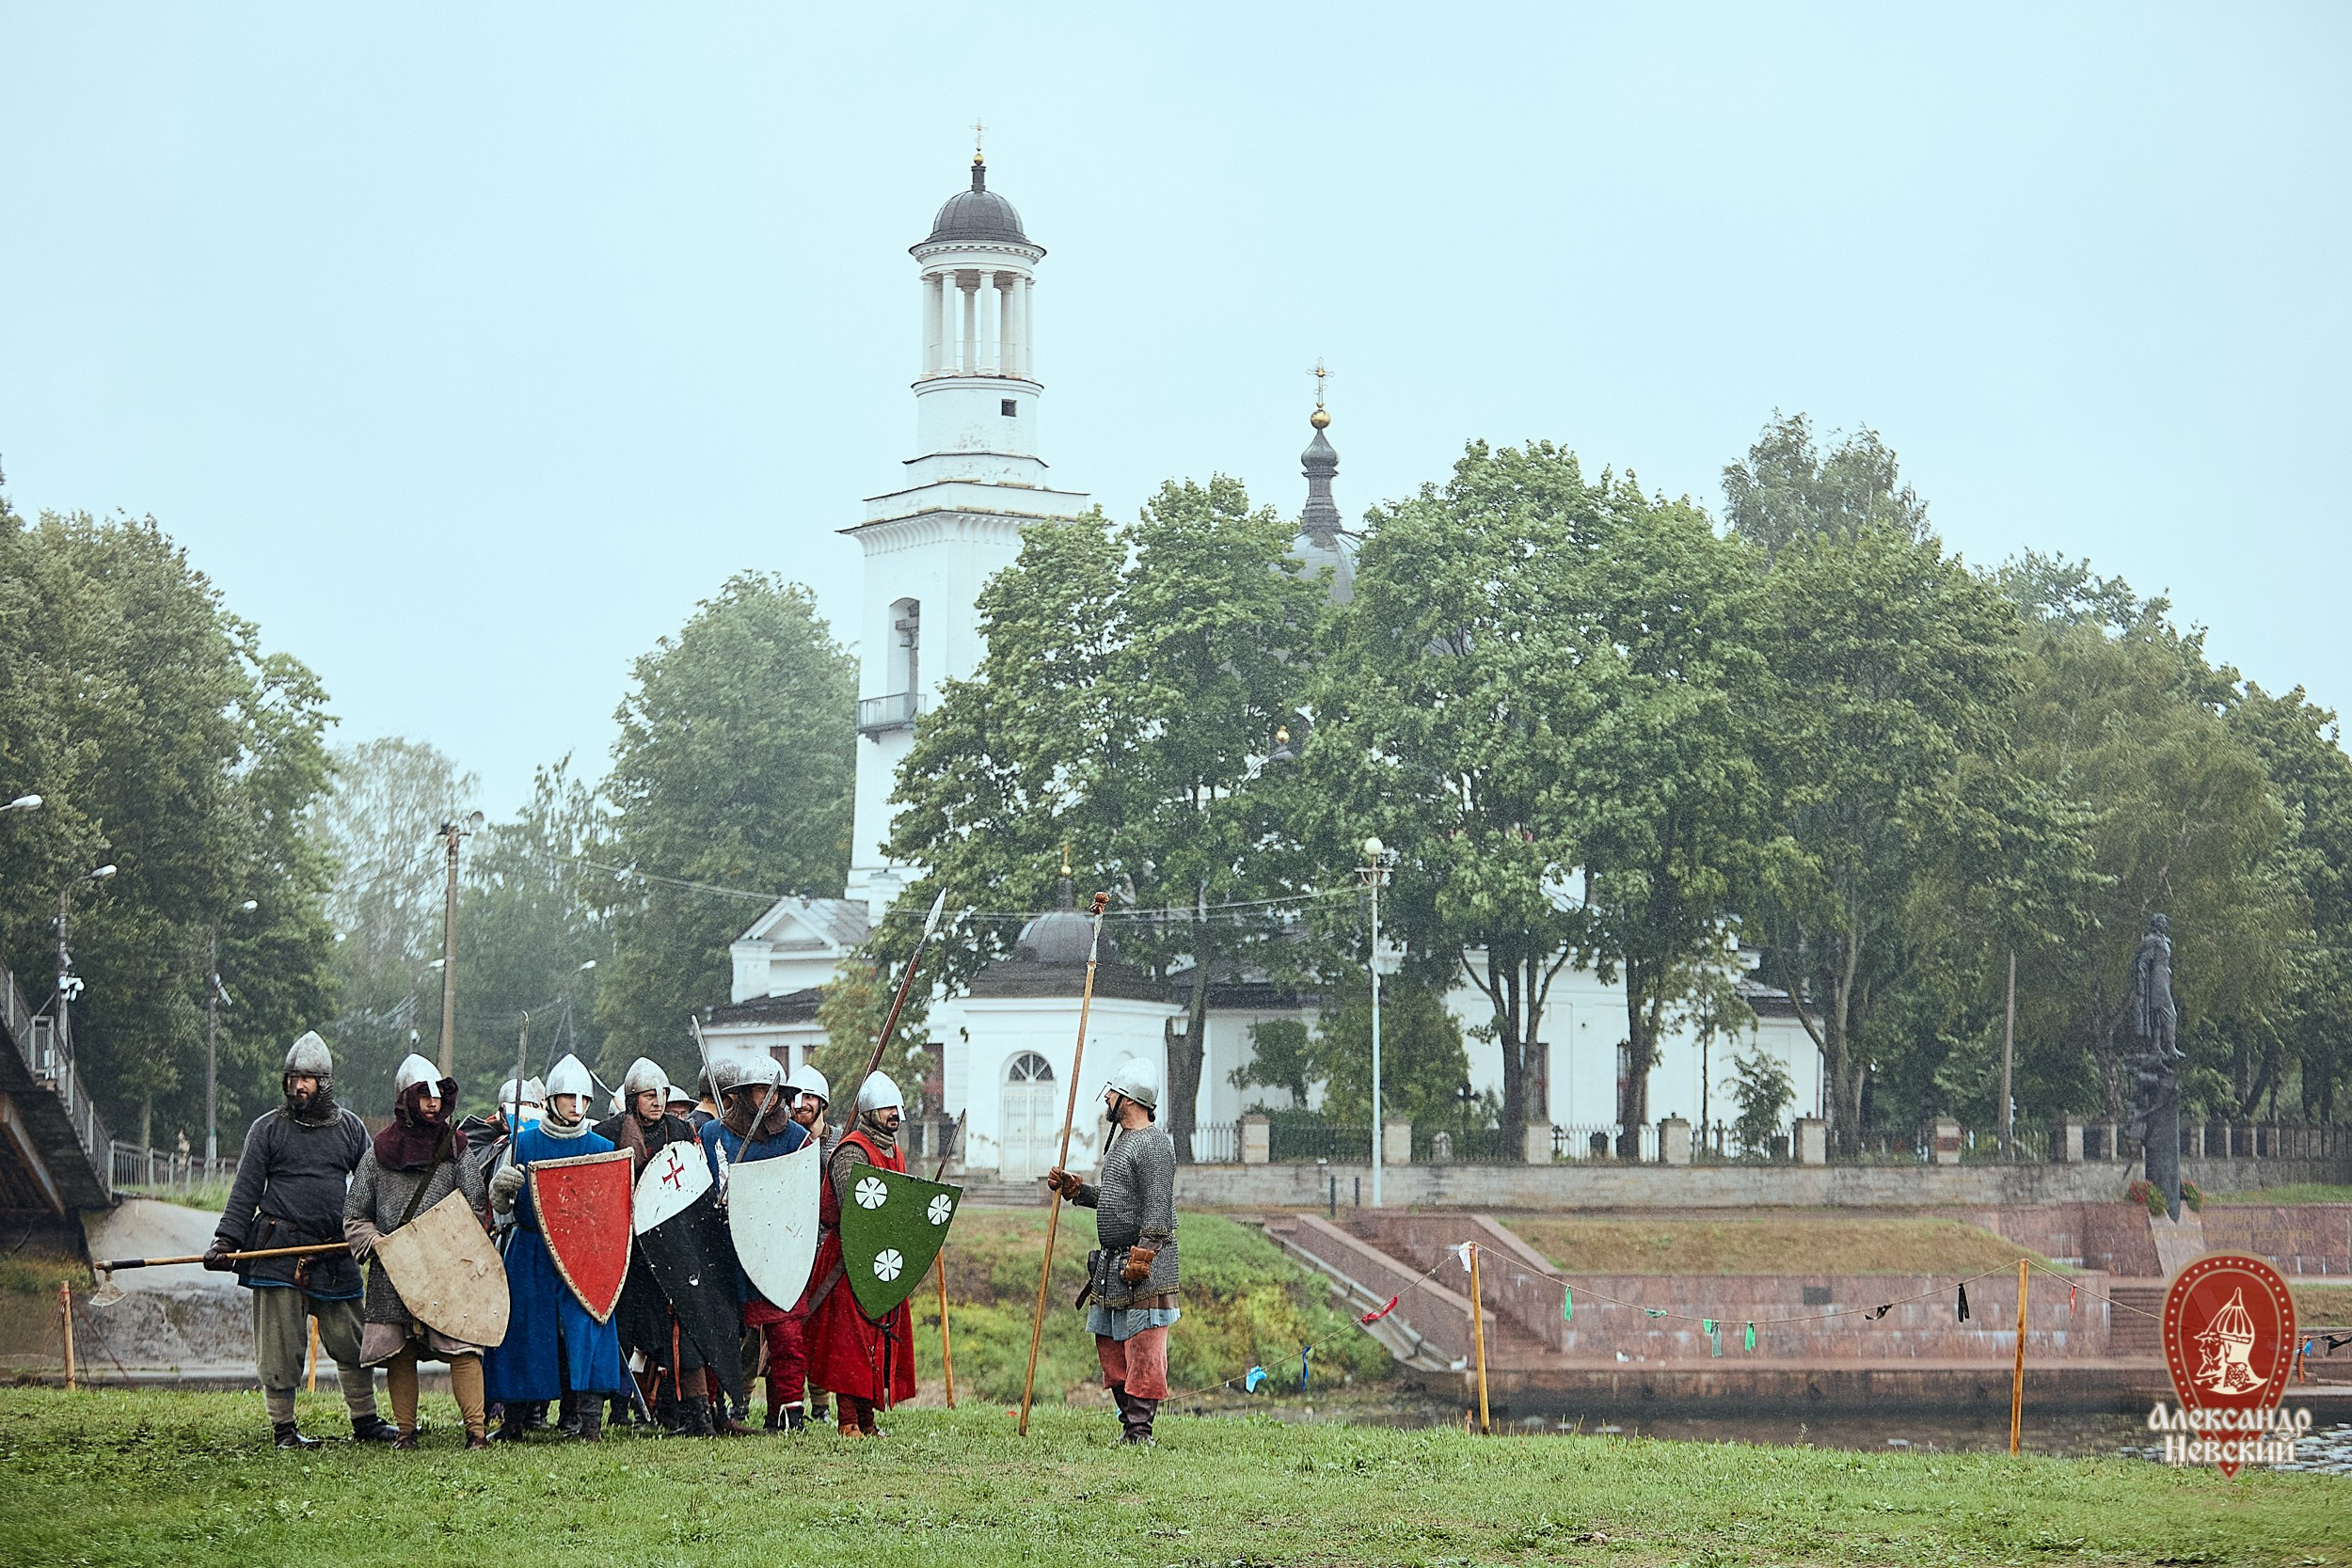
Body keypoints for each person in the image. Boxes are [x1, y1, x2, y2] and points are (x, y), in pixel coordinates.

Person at [207, 1031, 391, 1449]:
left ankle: (366, 1421)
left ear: (324, 1083)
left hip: (332, 1248)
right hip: (278, 1248)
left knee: (352, 1339)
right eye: (292, 1078)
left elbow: (369, 1187)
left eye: (307, 1079)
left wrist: (377, 1233)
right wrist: (225, 1240)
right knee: (280, 1345)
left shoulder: (349, 1129)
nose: (298, 1087)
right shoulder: (268, 1129)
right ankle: (284, 1429)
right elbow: (246, 1190)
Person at [345, 1053, 492, 1449]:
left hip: (446, 1266)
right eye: (423, 1095)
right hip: (395, 1269)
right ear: (406, 1099)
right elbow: (355, 1213)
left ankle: (476, 1433)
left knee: (463, 1347)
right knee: (400, 1351)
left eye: (437, 1096)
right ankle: (406, 1432)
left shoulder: (456, 1146)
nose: (432, 1103)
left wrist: (450, 1240)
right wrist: (376, 1241)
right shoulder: (380, 1151)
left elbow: (475, 1206)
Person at [484, 1053, 628, 1441]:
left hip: (586, 1254)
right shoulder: (524, 1143)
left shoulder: (601, 1145)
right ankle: (514, 1420)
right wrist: (502, 1189)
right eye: (569, 1099)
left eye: (584, 1100)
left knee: (590, 1326)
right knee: (522, 1328)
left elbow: (613, 1209)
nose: (577, 1107)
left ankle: (590, 1422)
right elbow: (502, 1208)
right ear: (551, 1101)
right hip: (531, 1250)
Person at [1046, 1055, 1179, 1447]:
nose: (1107, 1100)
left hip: (1145, 1265)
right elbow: (1120, 1201)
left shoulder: (1155, 1145)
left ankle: (1141, 1433)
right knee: (1110, 1345)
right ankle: (1129, 1427)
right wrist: (1079, 1191)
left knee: (1144, 1350)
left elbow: (1157, 1206)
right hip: (1113, 1263)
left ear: (1130, 1100)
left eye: (1113, 1095)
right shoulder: (1124, 1142)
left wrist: (1145, 1254)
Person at [596, 1053, 718, 1434]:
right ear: (634, 1098)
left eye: (661, 1094)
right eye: (649, 1095)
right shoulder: (608, 1132)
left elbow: (693, 1184)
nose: (658, 1101)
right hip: (625, 1250)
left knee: (677, 1333)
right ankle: (610, 1411)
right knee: (621, 1329)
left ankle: (688, 1414)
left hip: (669, 1250)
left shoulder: (680, 1133)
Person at [702, 1054, 810, 1433]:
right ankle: (714, 1410)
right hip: (726, 1249)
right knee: (721, 1332)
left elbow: (803, 1195)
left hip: (776, 1250)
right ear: (745, 1094)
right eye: (760, 1091)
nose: (767, 1099)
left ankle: (788, 1412)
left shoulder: (797, 1139)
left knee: (787, 1336)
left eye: (773, 1091)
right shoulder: (715, 1134)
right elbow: (704, 1188)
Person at [805, 1070, 917, 1436]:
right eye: (885, 1109)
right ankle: (848, 1420)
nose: (893, 1114)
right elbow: (856, 1211)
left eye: (895, 1108)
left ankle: (867, 1422)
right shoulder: (851, 1152)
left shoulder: (894, 1151)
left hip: (881, 1259)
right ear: (869, 1112)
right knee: (849, 1345)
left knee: (876, 1339)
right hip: (849, 1259)